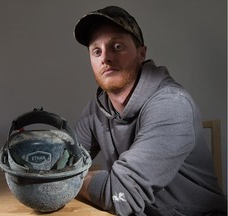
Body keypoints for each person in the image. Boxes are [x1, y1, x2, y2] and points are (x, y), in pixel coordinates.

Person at [73, 5, 227, 216]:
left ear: (141, 53)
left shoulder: (172, 104)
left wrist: (74, 180)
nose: (105, 58)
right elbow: (63, 161)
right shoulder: (97, 108)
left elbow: (120, 194)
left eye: (117, 46)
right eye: (96, 51)